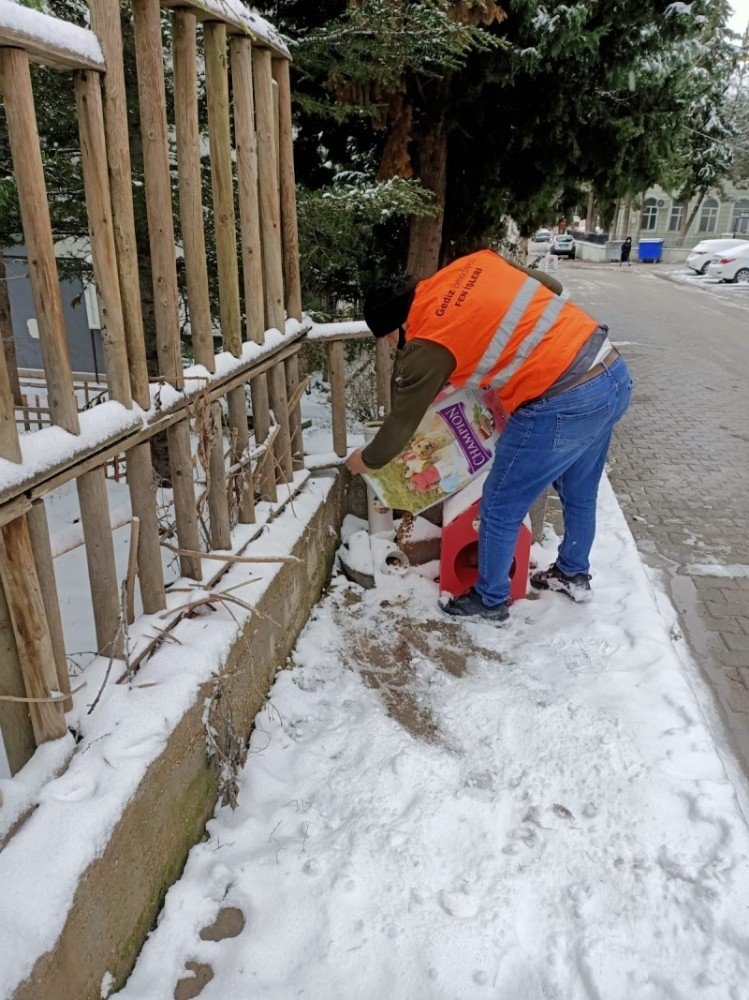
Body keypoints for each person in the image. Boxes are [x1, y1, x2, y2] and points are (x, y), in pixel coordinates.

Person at [346, 248, 632, 623]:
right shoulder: (471, 265)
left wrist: (363, 460)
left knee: (499, 503)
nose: (388, 346)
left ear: (398, 326)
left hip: (559, 397)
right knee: (579, 491)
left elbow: (400, 427)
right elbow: (551, 286)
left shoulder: (426, 341)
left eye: (385, 338)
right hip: (609, 372)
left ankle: (490, 599)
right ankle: (572, 573)